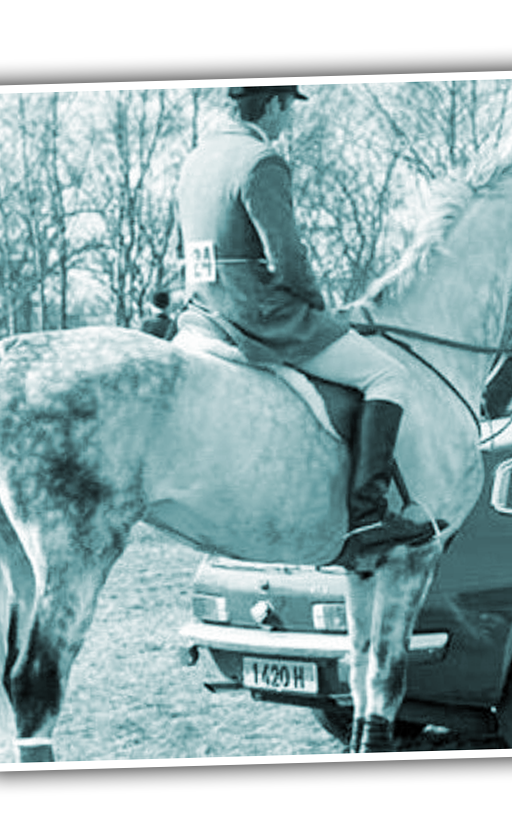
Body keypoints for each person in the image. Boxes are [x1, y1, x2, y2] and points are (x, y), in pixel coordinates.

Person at [175, 85, 436, 553]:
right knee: (388, 376)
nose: (291, 117)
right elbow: (287, 255)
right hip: (258, 314)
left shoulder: (197, 158)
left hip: (203, 309)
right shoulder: (261, 161)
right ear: (274, 103)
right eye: (290, 105)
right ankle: (367, 517)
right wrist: (315, 305)